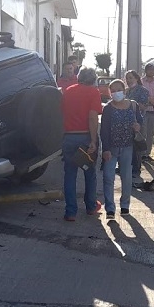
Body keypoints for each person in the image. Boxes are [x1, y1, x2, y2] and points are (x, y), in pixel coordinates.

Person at [61, 67, 103, 221]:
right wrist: (93, 140)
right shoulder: (93, 92)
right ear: (93, 79)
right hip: (85, 137)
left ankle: (70, 211)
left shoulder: (68, 91)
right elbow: (92, 117)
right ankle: (91, 206)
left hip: (69, 137)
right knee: (90, 173)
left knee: (70, 175)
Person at [101, 80, 141, 217]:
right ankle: (110, 209)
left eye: (119, 89)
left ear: (124, 91)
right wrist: (105, 149)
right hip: (111, 148)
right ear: (110, 93)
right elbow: (104, 131)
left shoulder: (133, 105)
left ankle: (125, 206)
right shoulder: (107, 109)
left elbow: (139, 121)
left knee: (127, 177)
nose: (116, 93)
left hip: (128, 147)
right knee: (108, 177)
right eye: (113, 90)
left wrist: (137, 127)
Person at [124, 70, 148, 179]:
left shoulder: (142, 90)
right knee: (127, 146)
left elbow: (143, 106)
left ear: (136, 78)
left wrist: (132, 104)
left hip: (137, 121)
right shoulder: (126, 91)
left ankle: (136, 170)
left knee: (136, 148)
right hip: (125, 122)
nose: (128, 80)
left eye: (131, 78)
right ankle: (125, 167)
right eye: (127, 78)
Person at [141, 63, 154, 162]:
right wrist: (148, 101)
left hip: (153, 111)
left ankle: (147, 154)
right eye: (149, 70)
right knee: (142, 133)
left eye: (153, 69)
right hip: (143, 111)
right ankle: (140, 153)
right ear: (146, 71)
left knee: (150, 134)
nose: (151, 71)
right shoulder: (141, 82)